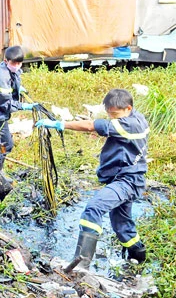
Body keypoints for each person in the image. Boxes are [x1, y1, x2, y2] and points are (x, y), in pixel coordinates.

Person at [36, 88, 149, 268]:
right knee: (121, 224)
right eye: (109, 114)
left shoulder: (128, 125)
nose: (112, 118)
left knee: (93, 208)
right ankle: (139, 258)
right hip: (124, 178)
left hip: (127, 181)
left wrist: (61, 124)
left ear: (128, 108)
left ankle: (81, 263)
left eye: (115, 114)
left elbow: (91, 125)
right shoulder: (137, 118)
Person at [0, 45, 37, 170]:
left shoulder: (13, 69)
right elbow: (6, 104)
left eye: (19, 63)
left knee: (7, 145)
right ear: (6, 61)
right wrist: (24, 106)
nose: (17, 65)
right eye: (14, 63)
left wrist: (19, 88)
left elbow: (14, 81)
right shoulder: (1, 77)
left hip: (1, 115)